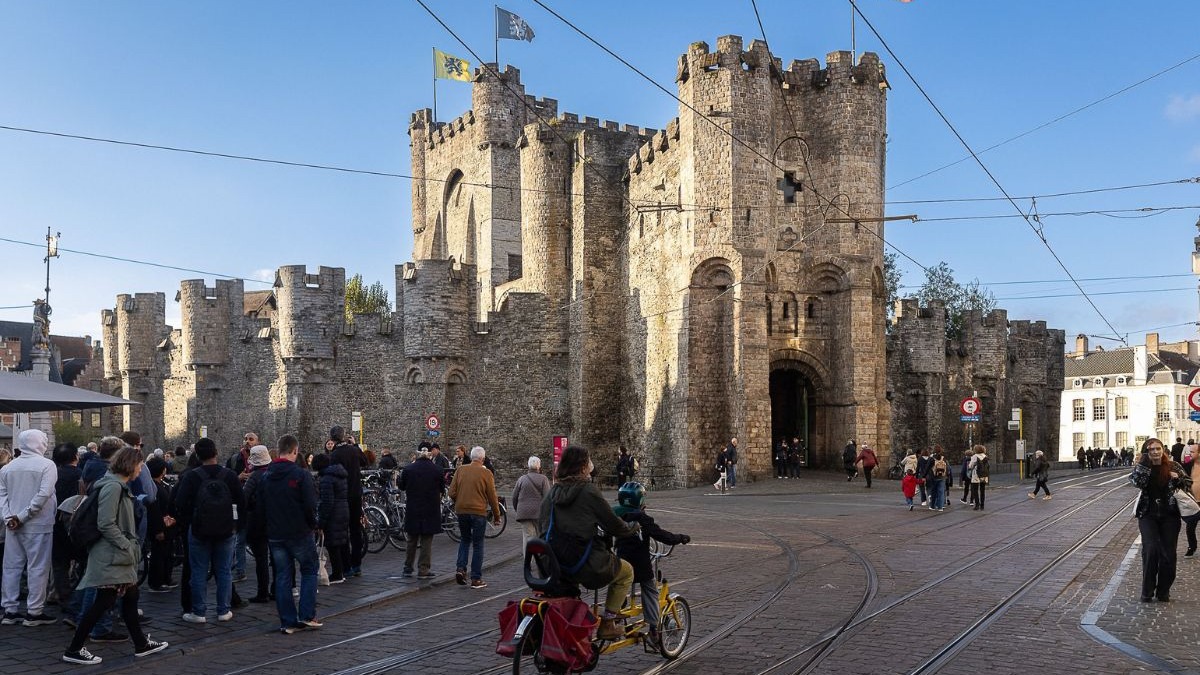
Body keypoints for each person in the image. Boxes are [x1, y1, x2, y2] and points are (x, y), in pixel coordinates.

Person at [61, 446, 168, 665]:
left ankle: (140, 643)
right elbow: (106, 523)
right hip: (112, 553)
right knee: (104, 601)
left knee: (130, 597)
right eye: (139, 466)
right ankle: (74, 648)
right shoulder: (113, 487)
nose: (140, 470)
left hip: (116, 553)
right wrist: (126, 545)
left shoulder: (115, 485)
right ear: (131, 465)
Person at [539, 445, 639, 640]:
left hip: (553, 563)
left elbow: (541, 525)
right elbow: (613, 524)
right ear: (584, 466)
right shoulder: (588, 491)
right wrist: (633, 527)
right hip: (584, 562)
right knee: (626, 572)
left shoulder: (552, 493)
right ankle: (608, 623)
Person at [174, 438, 244, 624]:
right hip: (226, 528)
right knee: (224, 571)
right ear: (216, 453)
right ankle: (223, 610)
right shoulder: (229, 475)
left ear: (197, 455)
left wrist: (190, 520)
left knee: (198, 571)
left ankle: (198, 612)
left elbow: (179, 503)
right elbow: (242, 501)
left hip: (198, 529)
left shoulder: (191, 476)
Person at [613, 481, 690, 647]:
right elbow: (662, 535)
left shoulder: (614, 514)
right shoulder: (642, 518)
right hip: (641, 566)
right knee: (650, 591)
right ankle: (654, 629)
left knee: (619, 586)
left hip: (620, 563)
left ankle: (615, 615)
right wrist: (680, 538)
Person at [260, 434, 322, 634]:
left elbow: (260, 506)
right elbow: (310, 505)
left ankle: (287, 620)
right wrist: (314, 524)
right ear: (295, 451)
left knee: (282, 576)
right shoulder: (300, 475)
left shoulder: (266, 476)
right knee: (309, 569)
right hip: (299, 532)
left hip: (276, 534)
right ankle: (307, 615)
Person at [0, 429, 57, 626]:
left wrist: (9, 518)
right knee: (38, 567)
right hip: (38, 523)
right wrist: (23, 516)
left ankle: (10, 609)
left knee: (11, 566)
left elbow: (2, 497)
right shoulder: (47, 465)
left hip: (13, 525)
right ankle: (34, 611)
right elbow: (43, 495)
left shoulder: (8, 468)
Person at [1129, 438, 1189, 602]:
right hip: (1148, 515)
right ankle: (1147, 591)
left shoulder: (1173, 466)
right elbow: (1136, 482)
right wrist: (1144, 464)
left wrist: (1177, 479)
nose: (1155, 452)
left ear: (1163, 450)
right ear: (1146, 452)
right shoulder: (1143, 467)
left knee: (1168, 555)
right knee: (1151, 550)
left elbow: (1187, 484)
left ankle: (1163, 591)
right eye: (1151, 450)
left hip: (1170, 515)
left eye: (1157, 449)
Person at [448, 446, 501, 589]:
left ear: (471, 457)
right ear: (483, 458)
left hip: (462, 510)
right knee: (478, 544)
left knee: (465, 540)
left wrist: (459, 501)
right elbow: (492, 497)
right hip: (479, 512)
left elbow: (451, 492)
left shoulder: (460, 470)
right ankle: (476, 578)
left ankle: (460, 569)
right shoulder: (487, 473)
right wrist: (497, 516)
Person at [398, 446, 444, 579]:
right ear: (430, 454)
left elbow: (401, 486)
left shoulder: (409, 469)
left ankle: (408, 567)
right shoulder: (437, 470)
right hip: (430, 508)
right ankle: (423, 569)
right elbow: (442, 488)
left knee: (411, 540)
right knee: (426, 541)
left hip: (413, 507)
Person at [51, 443, 83, 620]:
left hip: (55, 524)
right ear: (75, 457)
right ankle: (78, 598)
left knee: (59, 565)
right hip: (76, 525)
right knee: (82, 563)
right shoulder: (80, 475)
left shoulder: (52, 475)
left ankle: (64, 597)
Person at [328, 426, 365, 577]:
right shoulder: (354, 450)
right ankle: (357, 564)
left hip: (343, 496)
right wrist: (355, 445)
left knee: (342, 531)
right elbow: (365, 461)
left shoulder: (335, 454)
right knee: (356, 530)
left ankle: (347, 566)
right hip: (356, 494)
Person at [242, 444, 275, 602]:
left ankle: (263, 592)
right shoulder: (274, 473)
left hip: (257, 521)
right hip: (275, 519)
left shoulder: (254, 477)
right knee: (276, 557)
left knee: (261, 559)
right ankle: (278, 589)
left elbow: (244, 498)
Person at [312, 454, 349, 583]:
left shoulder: (326, 479)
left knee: (333, 544)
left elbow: (327, 502)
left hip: (334, 513)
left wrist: (321, 523)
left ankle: (338, 574)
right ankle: (342, 571)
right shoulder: (339, 475)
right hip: (343, 510)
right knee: (340, 542)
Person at [144, 456, 178, 593]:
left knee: (167, 553)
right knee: (159, 554)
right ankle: (156, 582)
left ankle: (165, 578)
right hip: (160, 526)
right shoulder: (154, 488)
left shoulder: (160, 485)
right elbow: (154, 510)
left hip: (166, 524)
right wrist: (158, 530)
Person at [512, 456, 551, 547]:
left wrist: (517, 509)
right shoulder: (543, 479)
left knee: (528, 538)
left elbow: (514, 497)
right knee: (539, 537)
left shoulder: (522, 479)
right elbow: (547, 498)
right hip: (539, 513)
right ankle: (539, 559)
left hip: (524, 512)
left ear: (528, 466)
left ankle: (528, 560)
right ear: (539, 466)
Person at [968, 444, 990, 510]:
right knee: (982, 490)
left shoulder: (975, 456)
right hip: (984, 475)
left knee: (975, 490)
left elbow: (970, 466)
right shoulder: (985, 456)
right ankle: (982, 505)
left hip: (976, 475)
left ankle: (977, 504)